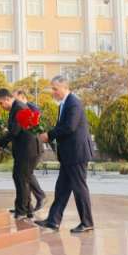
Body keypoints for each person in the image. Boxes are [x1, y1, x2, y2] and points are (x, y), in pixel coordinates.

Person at [36, 75, 94, 234]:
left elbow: (69, 127)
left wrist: (49, 135)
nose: (53, 92)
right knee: (61, 188)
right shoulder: (64, 104)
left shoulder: (73, 103)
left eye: (55, 89)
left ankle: (87, 223)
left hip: (77, 153)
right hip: (69, 154)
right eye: (52, 89)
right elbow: (63, 126)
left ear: (64, 87)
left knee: (79, 188)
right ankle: (53, 221)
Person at [0, 88, 45, 219]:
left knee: (21, 179)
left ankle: (21, 211)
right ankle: (27, 210)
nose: (0, 106)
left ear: (7, 99)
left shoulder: (19, 108)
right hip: (26, 150)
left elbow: (14, 131)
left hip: (29, 150)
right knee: (22, 179)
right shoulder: (16, 107)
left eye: (0, 103)